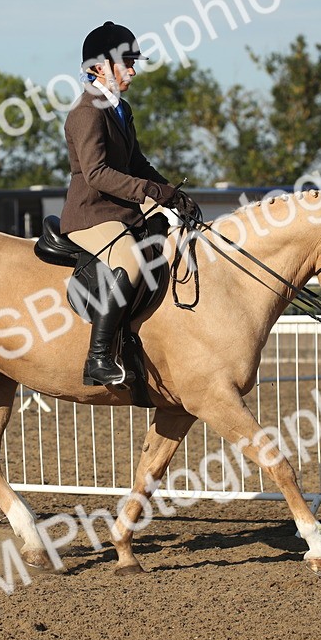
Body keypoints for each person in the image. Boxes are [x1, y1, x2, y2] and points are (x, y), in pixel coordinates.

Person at [61, 21, 185, 388]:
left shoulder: (120, 108)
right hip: (91, 213)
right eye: (125, 61)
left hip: (120, 210)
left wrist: (171, 192)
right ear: (99, 67)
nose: (132, 69)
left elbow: (137, 163)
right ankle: (98, 357)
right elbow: (97, 173)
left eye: (133, 61)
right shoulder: (87, 112)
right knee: (130, 260)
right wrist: (148, 190)